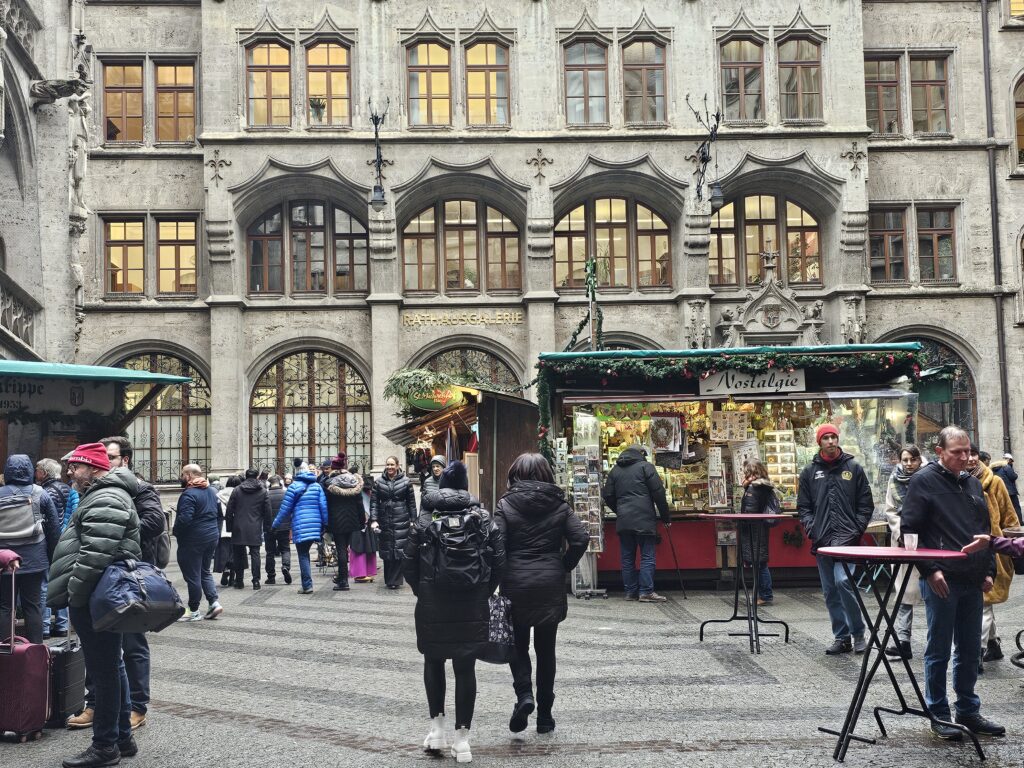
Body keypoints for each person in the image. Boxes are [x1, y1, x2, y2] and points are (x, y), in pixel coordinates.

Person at [900, 426, 1004, 740]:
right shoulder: (923, 481)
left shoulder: (972, 483)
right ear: (940, 452)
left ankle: (968, 711)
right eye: (957, 452)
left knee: (971, 650)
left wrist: (988, 570)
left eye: (967, 450)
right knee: (939, 649)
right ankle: (939, 712)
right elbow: (910, 532)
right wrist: (930, 570)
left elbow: (983, 529)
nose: (965, 457)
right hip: (942, 580)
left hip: (972, 579)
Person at [404, 461, 506, 763]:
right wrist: (484, 591)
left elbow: (407, 564)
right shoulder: (483, 520)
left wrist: (423, 591)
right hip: (472, 602)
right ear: (465, 488)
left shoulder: (424, 520)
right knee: (465, 668)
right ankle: (462, 741)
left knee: (433, 663)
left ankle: (436, 731)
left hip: (432, 602)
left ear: (441, 487)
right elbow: (500, 562)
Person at [47, 443, 141, 768]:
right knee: (111, 667)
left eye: (76, 466)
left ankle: (105, 747)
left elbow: (95, 555)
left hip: (96, 596)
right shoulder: (101, 495)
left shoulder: (107, 497)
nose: (70, 472)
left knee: (104, 672)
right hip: (99, 595)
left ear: (94, 467)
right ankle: (122, 739)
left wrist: (75, 593)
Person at [494, 453, 588, 735]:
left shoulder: (506, 503)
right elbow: (581, 538)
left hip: (516, 583)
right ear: (546, 473)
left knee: (518, 645)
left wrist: (500, 575)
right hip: (549, 581)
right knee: (546, 651)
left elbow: (496, 544)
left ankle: (524, 695)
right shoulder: (560, 505)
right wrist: (563, 566)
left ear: (516, 474)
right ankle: (545, 715)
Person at [797, 423, 873, 655]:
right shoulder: (810, 472)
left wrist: (857, 528)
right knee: (830, 590)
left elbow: (865, 504)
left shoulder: (854, 468)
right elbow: (804, 507)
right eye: (826, 438)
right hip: (822, 541)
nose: (830, 441)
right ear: (819, 442)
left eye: (833, 437)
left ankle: (858, 633)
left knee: (844, 582)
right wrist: (813, 529)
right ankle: (842, 637)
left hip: (848, 540)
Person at [0, 454, 60, 645]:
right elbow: (54, 530)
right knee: (32, 607)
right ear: (29, 471)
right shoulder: (40, 493)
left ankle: (4, 651)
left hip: (4, 561)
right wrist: (52, 559)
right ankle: (35, 651)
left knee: (4, 607)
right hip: (35, 561)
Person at [966, 444, 1017, 669]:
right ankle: (994, 644)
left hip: (993, 550)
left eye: (973, 454)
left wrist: (1010, 545)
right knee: (985, 601)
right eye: (965, 454)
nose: (969, 459)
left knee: (984, 602)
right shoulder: (956, 482)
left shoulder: (994, 482)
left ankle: (977, 651)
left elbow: (1010, 516)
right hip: (966, 548)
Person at [601, 445, 671, 603]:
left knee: (627, 557)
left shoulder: (615, 471)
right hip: (645, 519)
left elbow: (608, 495)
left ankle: (630, 592)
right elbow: (659, 493)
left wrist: (620, 510)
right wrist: (666, 517)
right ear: (640, 454)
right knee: (647, 556)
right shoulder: (646, 467)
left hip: (624, 521)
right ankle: (646, 591)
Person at [882, 444, 926, 660]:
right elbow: (890, 509)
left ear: (919, 459)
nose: (909, 464)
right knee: (903, 592)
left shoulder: (929, 476)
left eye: (912, 460)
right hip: (902, 541)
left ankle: (942, 640)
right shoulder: (894, 479)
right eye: (905, 460)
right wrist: (901, 530)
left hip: (928, 542)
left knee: (937, 593)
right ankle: (903, 641)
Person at [173, 464, 223, 622]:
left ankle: (194, 610)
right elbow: (218, 514)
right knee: (204, 571)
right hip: (211, 535)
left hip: (194, 539)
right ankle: (214, 603)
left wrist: (176, 532)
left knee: (193, 576)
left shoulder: (189, 494)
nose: (181, 477)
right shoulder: (211, 491)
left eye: (182, 474)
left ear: (188, 475)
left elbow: (185, 518)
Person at [272, 464, 327, 594]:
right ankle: (307, 584)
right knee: (305, 553)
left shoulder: (293, 487)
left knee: (303, 555)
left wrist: (275, 524)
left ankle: (307, 585)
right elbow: (323, 507)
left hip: (300, 525)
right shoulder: (317, 486)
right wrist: (325, 524)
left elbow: (284, 509)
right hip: (315, 525)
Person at [35, 458, 71, 639]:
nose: (35, 473)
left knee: (45, 584)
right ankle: (63, 625)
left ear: (45, 473)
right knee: (63, 582)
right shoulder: (67, 488)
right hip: (67, 542)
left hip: (51, 543)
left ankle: (45, 627)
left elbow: (49, 523)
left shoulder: (45, 492)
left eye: (38, 469)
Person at [370, 455, 417, 590]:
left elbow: (411, 503)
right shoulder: (378, 482)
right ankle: (389, 579)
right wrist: (374, 520)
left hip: (401, 517)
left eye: (392, 465)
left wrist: (413, 520)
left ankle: (395, 580)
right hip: (385, 518)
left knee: (399, 549)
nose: (390, 467)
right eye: (388, 465)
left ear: (397, 466)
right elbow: (374, 503)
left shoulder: (406, 481)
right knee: (386, 549)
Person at [739, 459, 777, 607]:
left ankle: (765, 595)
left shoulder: (753, 488)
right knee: (760, 562)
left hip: (753, 530)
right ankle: (764, 594)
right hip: (760, 528)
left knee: (759, 564)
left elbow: (750, 511)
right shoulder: (763, 486)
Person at [324, 452, 364, 591]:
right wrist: (362, 521)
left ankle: (343, 581)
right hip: (352, 520)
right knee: (346, 548)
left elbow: (326, 504)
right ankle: (342, 576)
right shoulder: (354, 482)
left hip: (336, 521)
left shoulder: (329, 484)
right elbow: (360, 504)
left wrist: (326, 522)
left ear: (334, 469)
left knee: (341, 549)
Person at [226, 468, 271, 590]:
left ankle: (239, 581)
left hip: (238, 526)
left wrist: (229, 527)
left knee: (238, 555)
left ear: (246, 476)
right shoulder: (262, 491)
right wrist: (267, 527)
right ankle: (256, 581)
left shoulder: (237, 490)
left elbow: (229, 510)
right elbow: (267, 511)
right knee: (255, 554)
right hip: (255, 526)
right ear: (257, 477)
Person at [264, 474, 291, 585]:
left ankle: (271, 576)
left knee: (270, 552)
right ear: (280, 483)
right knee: (285, 549)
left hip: (269, 527)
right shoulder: (286, 494)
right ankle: (285, 566)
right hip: (284, 526)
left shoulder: (265, 495)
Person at [352, 479, 378, 583]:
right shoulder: (358, 494)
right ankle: (360, 573)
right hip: (359, 522)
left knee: (367, 546)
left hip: (365, 521)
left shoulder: (364, 494)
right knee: (359, 546)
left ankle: (367, 571)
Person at [215, 475, 239, 587]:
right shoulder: (240, 494)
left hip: (222, 526)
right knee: (235, 552)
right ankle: (232, 576)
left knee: (224, 551)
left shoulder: (219, 495)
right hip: (237, 526)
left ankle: (225, 569)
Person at [989, 453, 1020, 521]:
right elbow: (1013, 477)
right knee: (1016, 507)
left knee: (1004, 508)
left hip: (1000, 491)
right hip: (1010, 491)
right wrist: (1016, 474)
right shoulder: (1007, 467)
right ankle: (1019, 522)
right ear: (1009, 460)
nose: (1011, 463)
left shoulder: (994, 468)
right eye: (1011, 461)